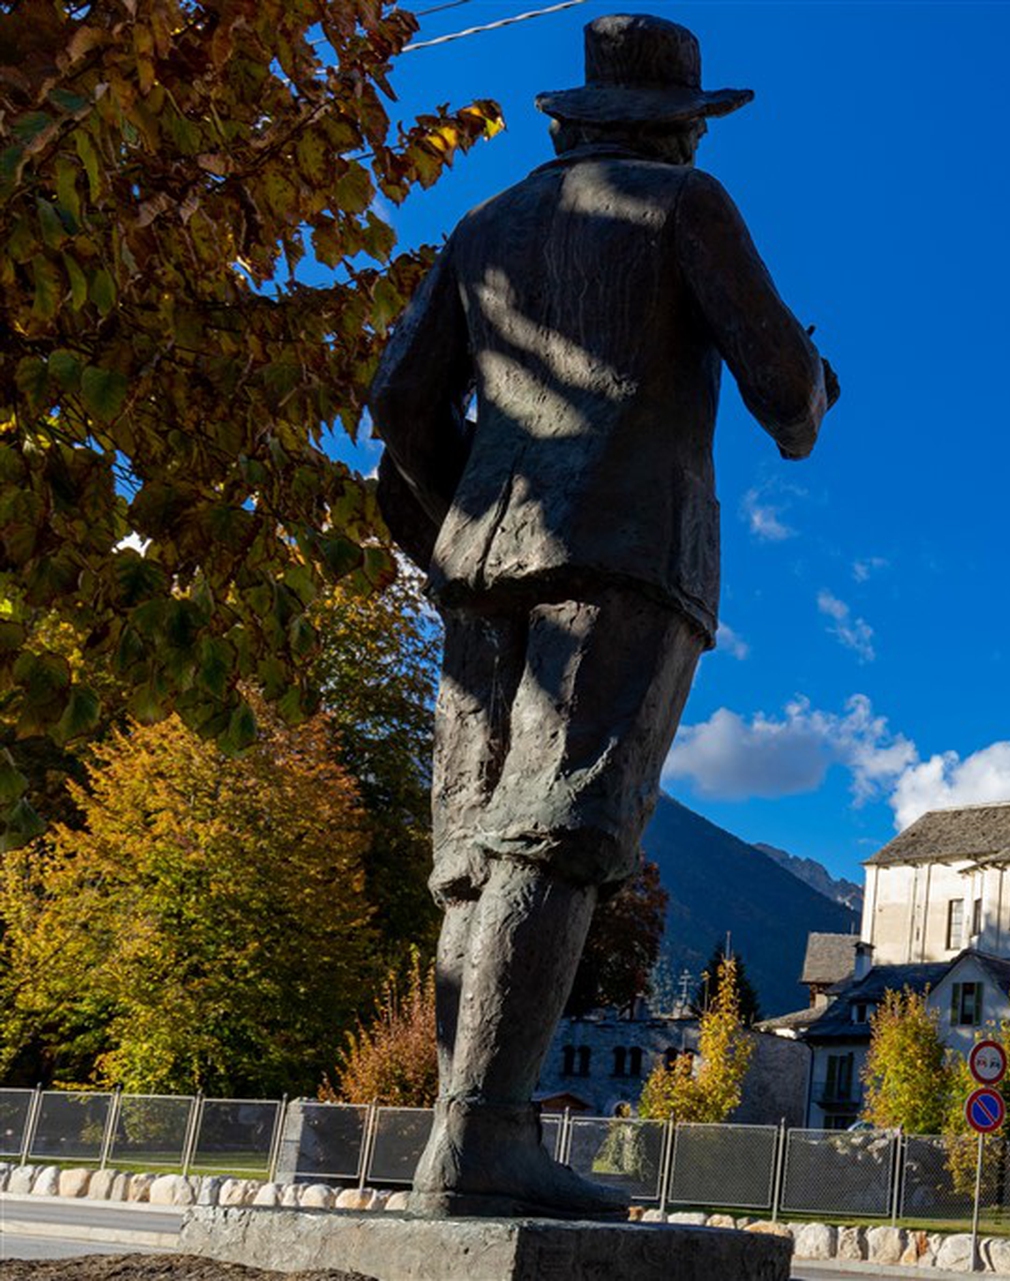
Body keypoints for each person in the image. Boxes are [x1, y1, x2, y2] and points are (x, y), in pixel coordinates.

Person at [369, 13, 837, 1218]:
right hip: (625, 550)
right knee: (558, 830)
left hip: (480, 563)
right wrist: (818, 387)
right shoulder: (683, 203)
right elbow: (782, 388)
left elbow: (401, 410)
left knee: (474, 855)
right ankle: (481, 1141)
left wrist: (459, 523)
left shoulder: (483, 228)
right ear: (677, 123)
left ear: (572, 118)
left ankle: (464, 1134)